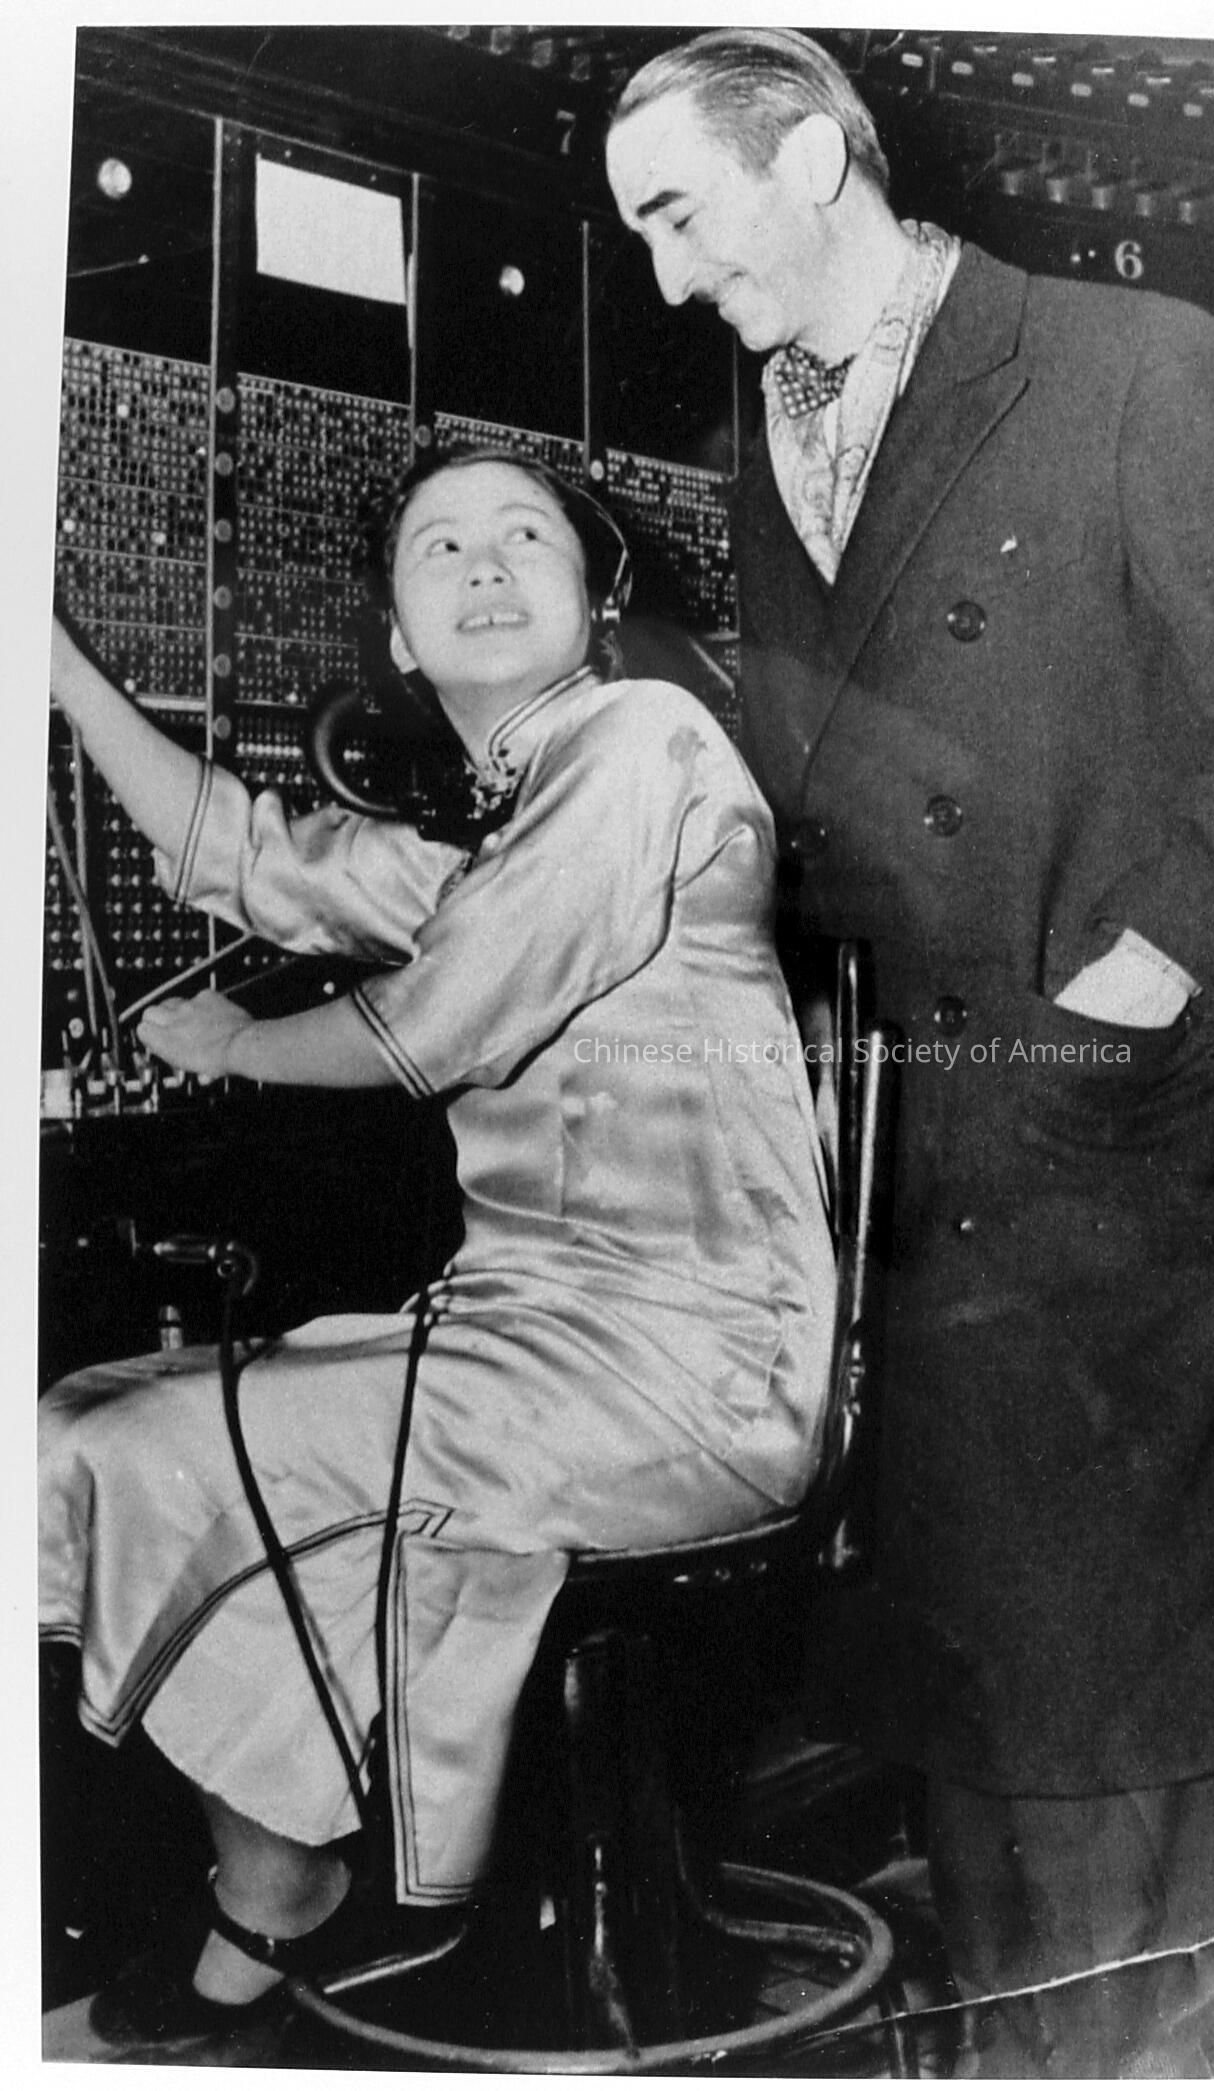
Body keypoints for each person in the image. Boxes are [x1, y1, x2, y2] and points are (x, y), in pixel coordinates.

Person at [606, 32, 1214, 2077]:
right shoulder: (767, 432)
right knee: (978, 1784)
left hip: (1094, 1160)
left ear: (810, 157)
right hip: (899, 1197)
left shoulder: (1130, 365)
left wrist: (1136, 996)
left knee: (1123, 1773)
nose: (667, 277)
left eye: (679, 214)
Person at [39, 445, 835, 2049]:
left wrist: (240, 1046)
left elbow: (442, 1020)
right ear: (402, 639)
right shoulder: (511, 832)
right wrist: (51, 665)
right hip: (520, 1345)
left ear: (596, 609)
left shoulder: (646, 742)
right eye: (440, 546)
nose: (483, 562)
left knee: (158, 1445)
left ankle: (284, 1894)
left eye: (524, 534)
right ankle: (291, 1872)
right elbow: (242, 854)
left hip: (690, 1372)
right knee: (81, 1428)